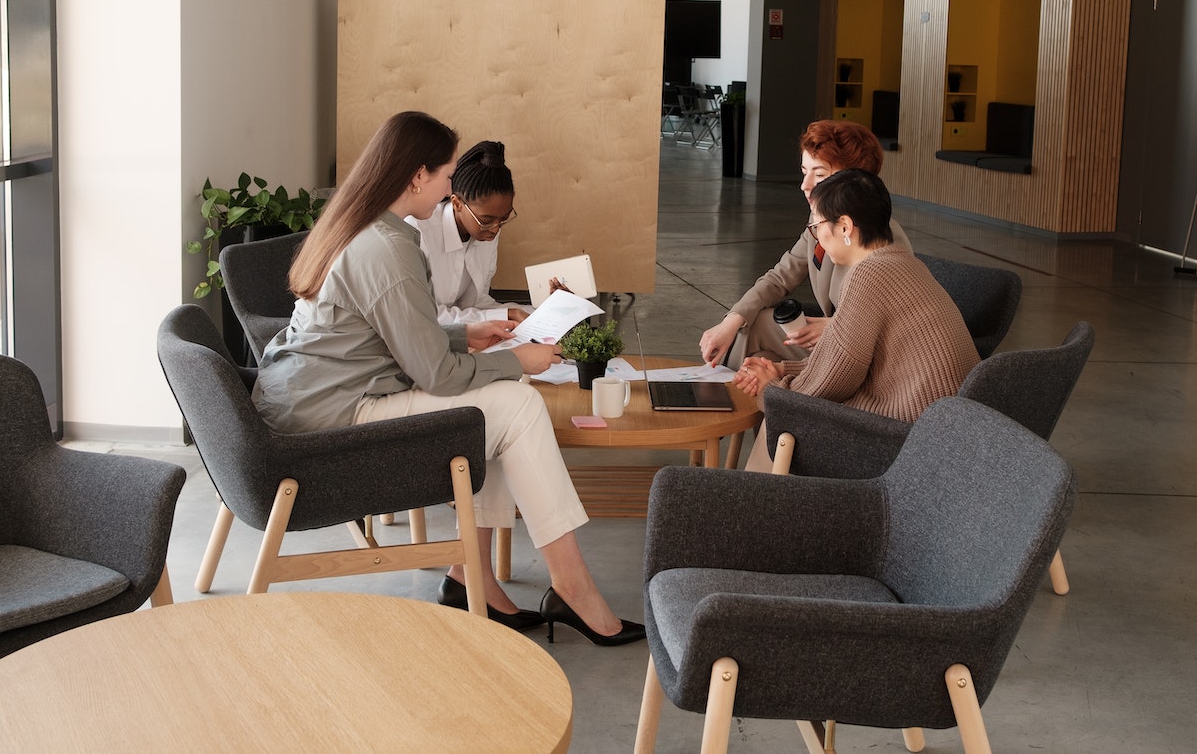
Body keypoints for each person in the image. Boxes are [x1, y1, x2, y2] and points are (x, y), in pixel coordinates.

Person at [253, 111, 642, 645]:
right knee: (517, 404)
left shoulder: (360, 224)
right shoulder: (388, 247)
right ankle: (569, 584)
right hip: (333, 417)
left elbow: (384, 335)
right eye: (444, 175)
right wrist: (517, 360)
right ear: (417, 175)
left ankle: (471, 575)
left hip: (316, 395)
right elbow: (435, 374)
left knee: (505, 404)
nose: (448, 188)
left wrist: (466, 335)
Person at [731, 168, 980, 472]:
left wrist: (771, 389)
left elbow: (838, 378)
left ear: (845, 227)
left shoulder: (869, 275)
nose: (816, 235)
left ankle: (754, 510)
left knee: (782, 415)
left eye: (817, 225)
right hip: (944, 427)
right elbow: (849, 361)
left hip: (907, 434)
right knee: (782, 401)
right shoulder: (903, 262)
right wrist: (781, 369)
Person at [698, 120, 912, 367]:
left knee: (759, 362)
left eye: (819, 174)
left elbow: (890, 324)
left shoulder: (886, 240)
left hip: (863, 354)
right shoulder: (819, 221)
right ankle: (713, 389)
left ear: (854, 180)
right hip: (829, 336)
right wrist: (732, 320)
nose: (805, 185)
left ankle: (717, 391)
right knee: (751, 340)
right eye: (804, 171)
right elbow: (780, 277)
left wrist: (834, 326)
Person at [412, 139, 529, 325]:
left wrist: (531, 311)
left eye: (503, 219)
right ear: (457, 203)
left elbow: (476, 302)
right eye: (486, 220)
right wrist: (504, 315)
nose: (496, 229)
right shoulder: (418, 233)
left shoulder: (488, 232)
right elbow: (423, 315)